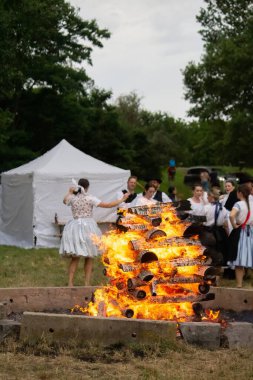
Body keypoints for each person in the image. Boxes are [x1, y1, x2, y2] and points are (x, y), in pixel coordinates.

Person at [59, 178, 129, 286]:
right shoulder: (90, 198)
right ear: (87, 187)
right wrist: (122, 200)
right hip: (88, 228)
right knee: (89, 256)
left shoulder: (72, 198)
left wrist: (69, 192)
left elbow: (64, 201)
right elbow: (108, 205)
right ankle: (87, 283)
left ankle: (70, 283)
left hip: (75, 227)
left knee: (75, 257)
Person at [227, 184, 253, 288]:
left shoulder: (238, 204)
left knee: (239, 261)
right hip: (251, 232)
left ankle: (239, 284)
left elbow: (231, 215)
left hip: (241, 233)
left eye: (237, 192)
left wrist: (234, 225)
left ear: (240, 193)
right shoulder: (252, 203)